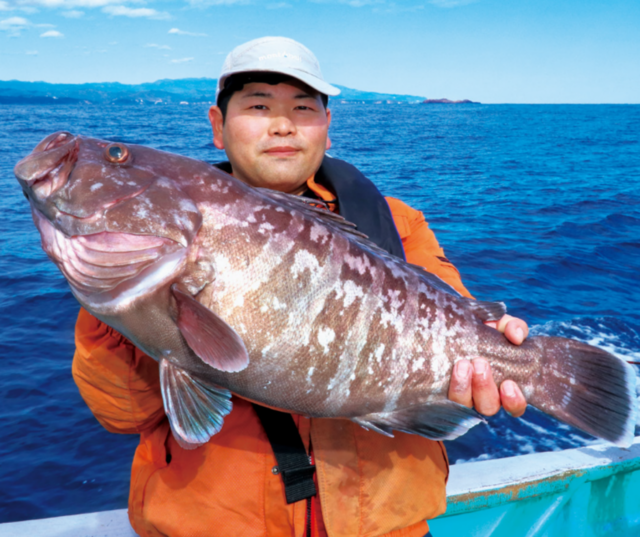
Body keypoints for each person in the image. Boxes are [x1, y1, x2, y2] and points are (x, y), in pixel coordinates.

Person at [73, 36, 529, 537]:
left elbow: (458, 328)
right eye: (259, 105)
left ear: (327, 129)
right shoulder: (154, 241)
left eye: (303, 108)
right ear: (217, 127)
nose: (283, 124)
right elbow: (120, 412)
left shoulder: (398, 225)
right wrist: (124, 302)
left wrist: (497, 355)